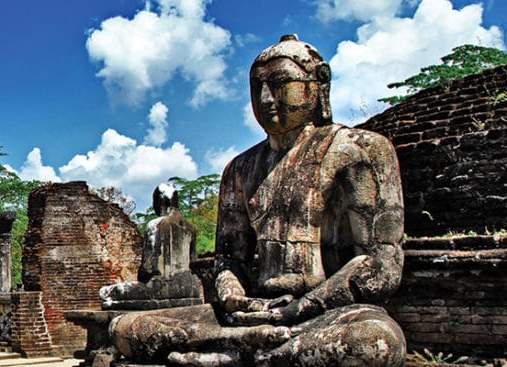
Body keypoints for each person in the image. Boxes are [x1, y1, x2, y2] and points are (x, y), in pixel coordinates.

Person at [108, 34, 406, 366]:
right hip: (253, 312)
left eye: (279, 83)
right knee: (125, 328)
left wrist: (298, 309)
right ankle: (249, 348)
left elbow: (380, 267)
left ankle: (235, 353)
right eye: (257, 87)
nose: (265, 98)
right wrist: (233, 294)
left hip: (324, 313)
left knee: (373, 342)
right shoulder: (240, 168)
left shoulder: (360, 150)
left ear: (319, 82)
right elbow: (228, 261)